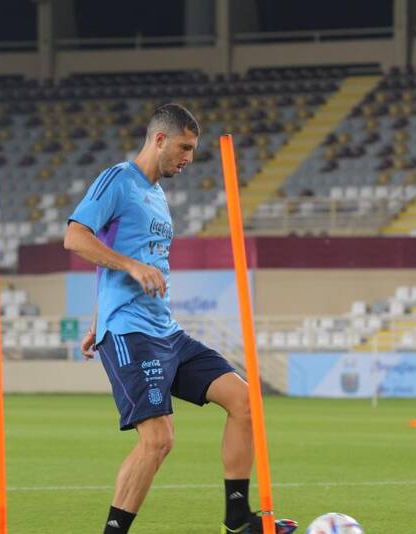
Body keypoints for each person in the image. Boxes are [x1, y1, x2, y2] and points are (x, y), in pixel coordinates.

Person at [63, 104, 298, 534]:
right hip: (132, 333)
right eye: (185, 147)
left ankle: (237, 520)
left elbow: (111, 253)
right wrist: (130, 271)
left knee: (246, 401)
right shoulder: (117, 180)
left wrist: (96, 315)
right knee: (159, 440)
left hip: (166, 331)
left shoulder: (157, 195)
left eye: (193, 149)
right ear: (159, 139)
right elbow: (76, 236)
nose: (189, 158)